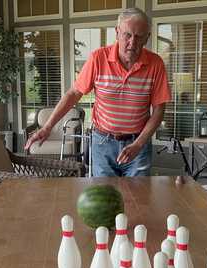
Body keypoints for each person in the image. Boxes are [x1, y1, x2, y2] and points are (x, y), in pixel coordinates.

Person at [24, 7, 171, 177]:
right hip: (103, 143)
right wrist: (47, 127)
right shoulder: (98, 58)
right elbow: (73, 94)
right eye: (127, 35)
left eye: (139, 37)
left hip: (139, 143)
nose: (132, 43)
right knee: (103, 197)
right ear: (117, 32)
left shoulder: (156, 64)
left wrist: (139, 144)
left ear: (147, 37)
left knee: (137, 198)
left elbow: (159, 110)